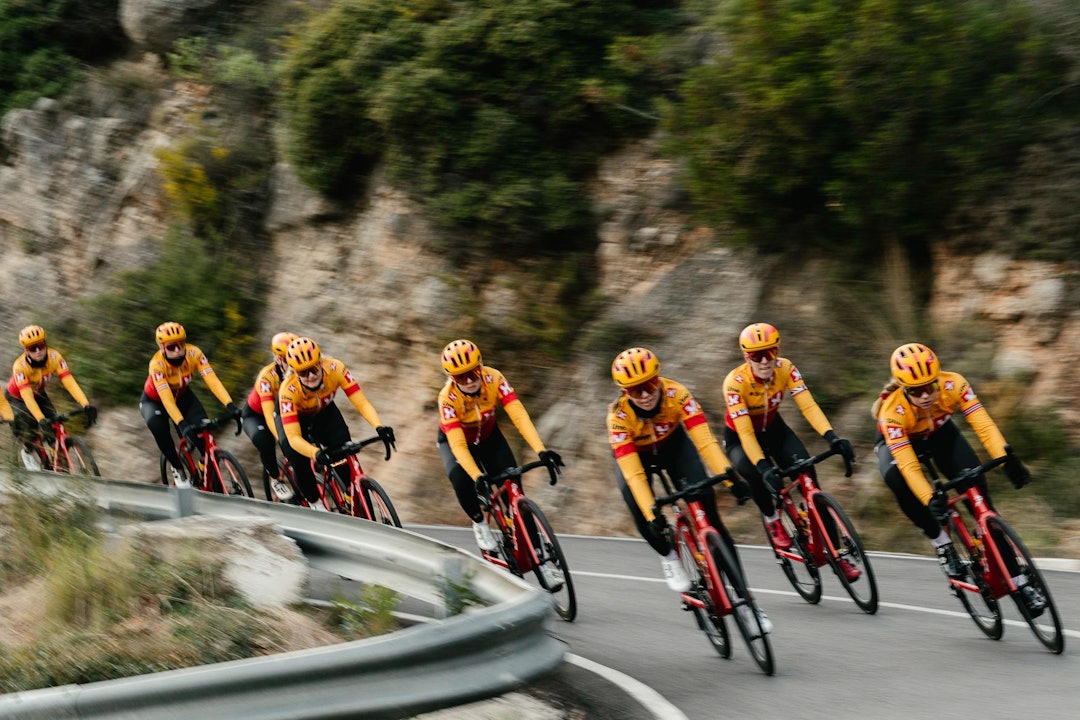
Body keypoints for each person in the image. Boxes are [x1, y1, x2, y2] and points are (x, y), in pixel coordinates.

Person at [606, 347, 769, 632]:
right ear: (624, 392)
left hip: (674, 447)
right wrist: (652, 513)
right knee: (638, 507)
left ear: (658, 379)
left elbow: (706, 442)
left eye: (649, 385)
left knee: (709, 515)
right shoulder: (618, 418)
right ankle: (669, 556)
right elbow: (634, 475)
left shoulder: (677, 393)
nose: (644, 395)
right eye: (634, 390)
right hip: (636, 458)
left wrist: (730, 479)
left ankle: (747, 605)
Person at [872, 342, 1043, 614]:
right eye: (916, 391)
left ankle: (1020, 583)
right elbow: (909, 465)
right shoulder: (892, 412)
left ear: (937, 379)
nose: (925, 395)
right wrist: (929, 499)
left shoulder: (954, 384)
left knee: (981, 503)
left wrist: (1007, 460)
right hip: (901, 444)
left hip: (941, 435)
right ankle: (941, 542)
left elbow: (983, 425)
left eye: (930, 387)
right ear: (903, 389)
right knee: (898, 481)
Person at [721, 322, 860, 581]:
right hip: (740, 438)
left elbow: (808, 406)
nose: (764, 361)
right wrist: (764, 466)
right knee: (755, 474)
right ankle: (772, 518)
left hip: (775, 430)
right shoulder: (735, 383)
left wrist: (832, 437)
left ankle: (837, 555)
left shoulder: (786, 369)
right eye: (756, 356)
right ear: (747, 358)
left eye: (769, 353)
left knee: (809, 480)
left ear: (777, 352)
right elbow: (746, 433)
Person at [436, 339, 564, 556]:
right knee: (461, 481)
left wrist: (541, 450)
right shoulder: (447, 398)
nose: (469, 381)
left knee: (514, 491)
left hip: (489, 438)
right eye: (461, 377)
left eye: (473, 373)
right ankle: (479, 523)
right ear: (451, 378)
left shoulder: (494, 378)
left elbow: (519, 415)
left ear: (481, 367)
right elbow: (457, 444)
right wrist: (477, 475)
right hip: (456, 443)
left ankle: (537, 553)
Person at [276, 337, 395, 510]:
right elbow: (294, 437)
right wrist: (315, 453)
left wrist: (379, 426)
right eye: (303, 372)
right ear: (295, 373)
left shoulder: (336, 368)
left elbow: (361, 402)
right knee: (297, 458)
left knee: (343, 448)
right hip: (296, 421)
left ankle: (348, 496)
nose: (311, 376)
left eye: (314, 368)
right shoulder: (288, 390)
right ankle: (315, 504)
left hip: (324, 413)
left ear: (321, 362)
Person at [140, 322, 239, 487]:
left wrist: (231, 406)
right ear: (162, 348)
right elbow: (167, 400)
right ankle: (177, 467)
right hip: (155, 402)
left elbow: (213, 381)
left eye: (181, 344)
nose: (177, 350)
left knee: (202, 435)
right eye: (171, 347)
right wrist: (182, 423)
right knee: (159, 428)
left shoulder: (194, 353)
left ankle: (204, 470)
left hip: (183, 396)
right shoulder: (156, 365)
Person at [5, 325, 97, 471]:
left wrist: (86, 404)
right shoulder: (20, 366)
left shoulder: (55, 357)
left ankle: (56, 462)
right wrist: (40, 419)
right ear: (26, 350)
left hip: (38, 394)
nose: (38, 351)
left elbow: (69, 383)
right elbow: (27, 397)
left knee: (54, 424)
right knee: (29, 426)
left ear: (45, 344)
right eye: (32, 348)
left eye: (40, 346)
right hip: (17, 398)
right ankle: (27, 452)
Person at [242, 331, 297, 501]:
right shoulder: (267, 377)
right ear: (279, 359)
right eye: (288, 359)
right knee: (265, 441)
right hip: (257, 415)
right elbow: (268, 415)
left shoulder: (300, 372)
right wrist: (283, 441)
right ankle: (275, 478)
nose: (294, 364)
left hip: (283, 413)